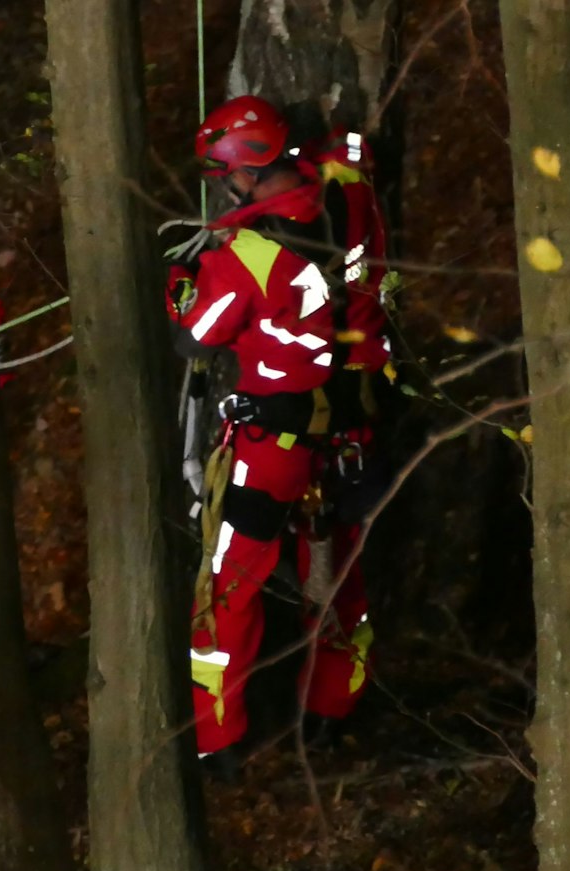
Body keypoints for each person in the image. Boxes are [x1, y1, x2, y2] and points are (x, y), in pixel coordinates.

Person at [167, 94, 392, 776]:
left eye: (223, 176)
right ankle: (333, 712)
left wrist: (180, 281)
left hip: (273, 445)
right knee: (338, 574)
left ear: (242, 171)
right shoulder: (350, 195)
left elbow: (196, 335)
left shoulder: (248, 254)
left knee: (229, 584)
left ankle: (217, 739)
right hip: (352, 426)